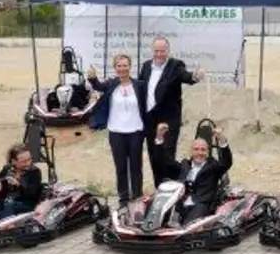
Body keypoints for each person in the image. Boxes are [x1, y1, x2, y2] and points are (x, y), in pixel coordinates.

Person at [86, 54, 149, 207]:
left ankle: (137, 197)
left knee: (136, 167)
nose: (122, 69)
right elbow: (98, 86)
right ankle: (123, 199)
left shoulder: (140, 85)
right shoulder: (111, 84)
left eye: (125, 65)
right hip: (116, 132)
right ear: (115, 68)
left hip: (136, 131)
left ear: (130, 66)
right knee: (121, 167)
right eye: (119, 66)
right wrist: (93, 78)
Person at [137, 36, 205, 173]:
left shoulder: (175, 65)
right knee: (154, 156)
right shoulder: (145, 66)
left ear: (168, 51)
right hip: (150, 119)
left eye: (162, 51)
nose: (159, 54)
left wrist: (195, 76)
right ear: (152, 50)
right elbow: (140, 87)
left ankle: (178, 179)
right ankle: (159, 187)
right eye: (156, 51)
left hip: (168, 119)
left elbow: (185, 76)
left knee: (167, 156)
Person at [151, 122, 232, 224]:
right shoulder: (185, 165)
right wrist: (159, 137)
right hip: (179, 203)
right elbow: (163, 161)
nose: (199, 153)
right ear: (191, 152)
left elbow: (226, 162)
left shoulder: (213, 166)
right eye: (196, 149)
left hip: (200, 205)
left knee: (188, 227)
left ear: (208, 152)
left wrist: (222, 140)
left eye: (203, 150)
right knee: (157, 218)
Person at [0, 143, 45, 220]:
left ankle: (4, 228)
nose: (28, 163)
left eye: (29, 159)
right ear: (13, 161)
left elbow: (32, 194)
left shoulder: (34, 171)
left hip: (26, 203)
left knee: (9, 205)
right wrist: (3, 181)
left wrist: (18, 185)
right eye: (24, 161)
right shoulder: (8, 169)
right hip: (7, 201)